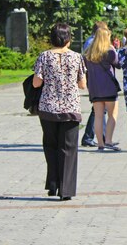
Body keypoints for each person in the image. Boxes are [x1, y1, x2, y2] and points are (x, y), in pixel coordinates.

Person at [33, 23, 87, 201]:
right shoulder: (77, 58)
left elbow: (36, 83)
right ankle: (66, 189)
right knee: (69, 148)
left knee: (51, 146)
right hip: (70, 108)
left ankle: (53, 183)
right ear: (68, 39)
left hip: (48, 108)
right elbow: (82, 84)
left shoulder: (44, 57)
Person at [84, 27, 121, 151]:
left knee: (98, 116)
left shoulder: (88, 53)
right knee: (112, 114)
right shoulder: (109, 51)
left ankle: (100, 144)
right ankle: (109, 141)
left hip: (94, 89)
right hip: (109, 87)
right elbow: (119, 64)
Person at [81, 21, 108, 148]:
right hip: (97, 80)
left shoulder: (90, 41)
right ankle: (90, 136)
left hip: (95, 79)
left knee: (100, 109)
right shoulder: (92, 42)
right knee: (99, 110)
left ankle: (100, 136)